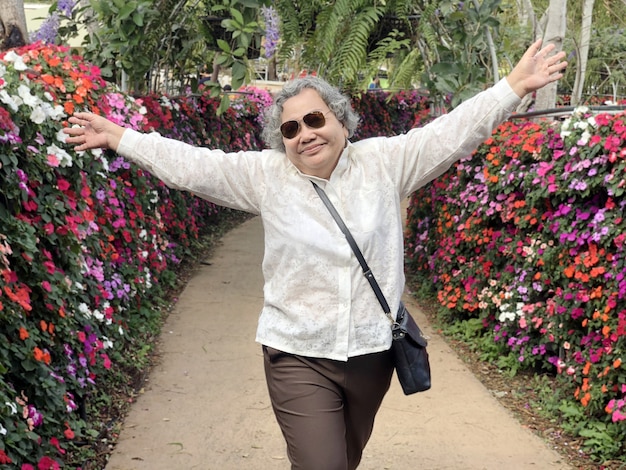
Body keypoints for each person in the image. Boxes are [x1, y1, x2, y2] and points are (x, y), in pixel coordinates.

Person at [63, 39, 566, 470]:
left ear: (342, 121)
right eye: (290, 129)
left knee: (343, 458)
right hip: (297, 353)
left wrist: (513, 87)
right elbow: (194, 166)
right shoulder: (266, 177)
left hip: (372, 353)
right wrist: (119, 136)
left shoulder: (386, 164)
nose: (305, 133)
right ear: (281, 141)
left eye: (314, 119)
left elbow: (453, 133)